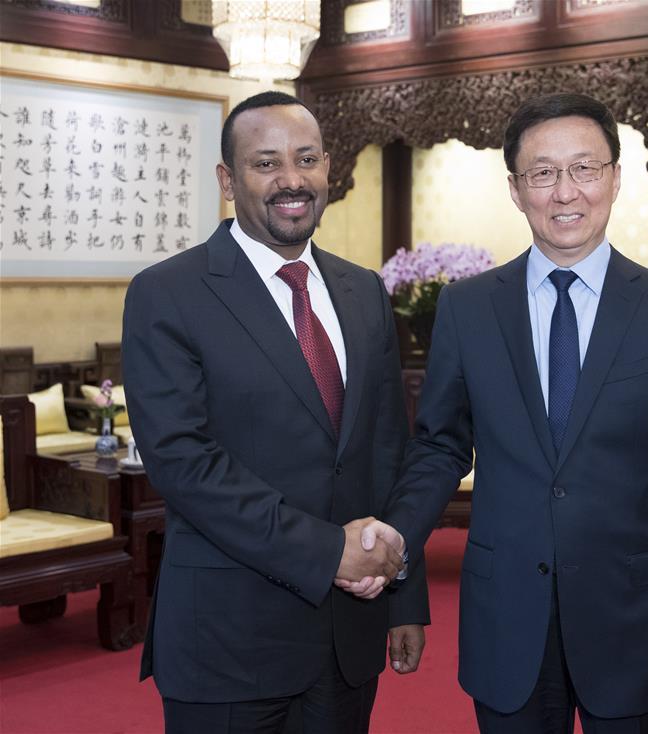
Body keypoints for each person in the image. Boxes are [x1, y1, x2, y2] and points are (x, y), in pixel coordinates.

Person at [348, 93, 648, 733]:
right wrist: (398, 534)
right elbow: (440, 446)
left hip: (635, 625)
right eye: (543, 173)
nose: (565, 192)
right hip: (507, 621)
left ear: (615, 178)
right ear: (515, 189)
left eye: (584, 168)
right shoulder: (468, 308)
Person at [122, 91, 427, 734]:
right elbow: (183, 464)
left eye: (306, 159)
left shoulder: (364, 290)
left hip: (349, 638)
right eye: (266, 163)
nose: (292, 179)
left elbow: (387, 453)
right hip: (228, 643)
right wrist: (329, 552)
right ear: (227, 181)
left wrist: (404, 593)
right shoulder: (167, 293)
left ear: (327, 168)